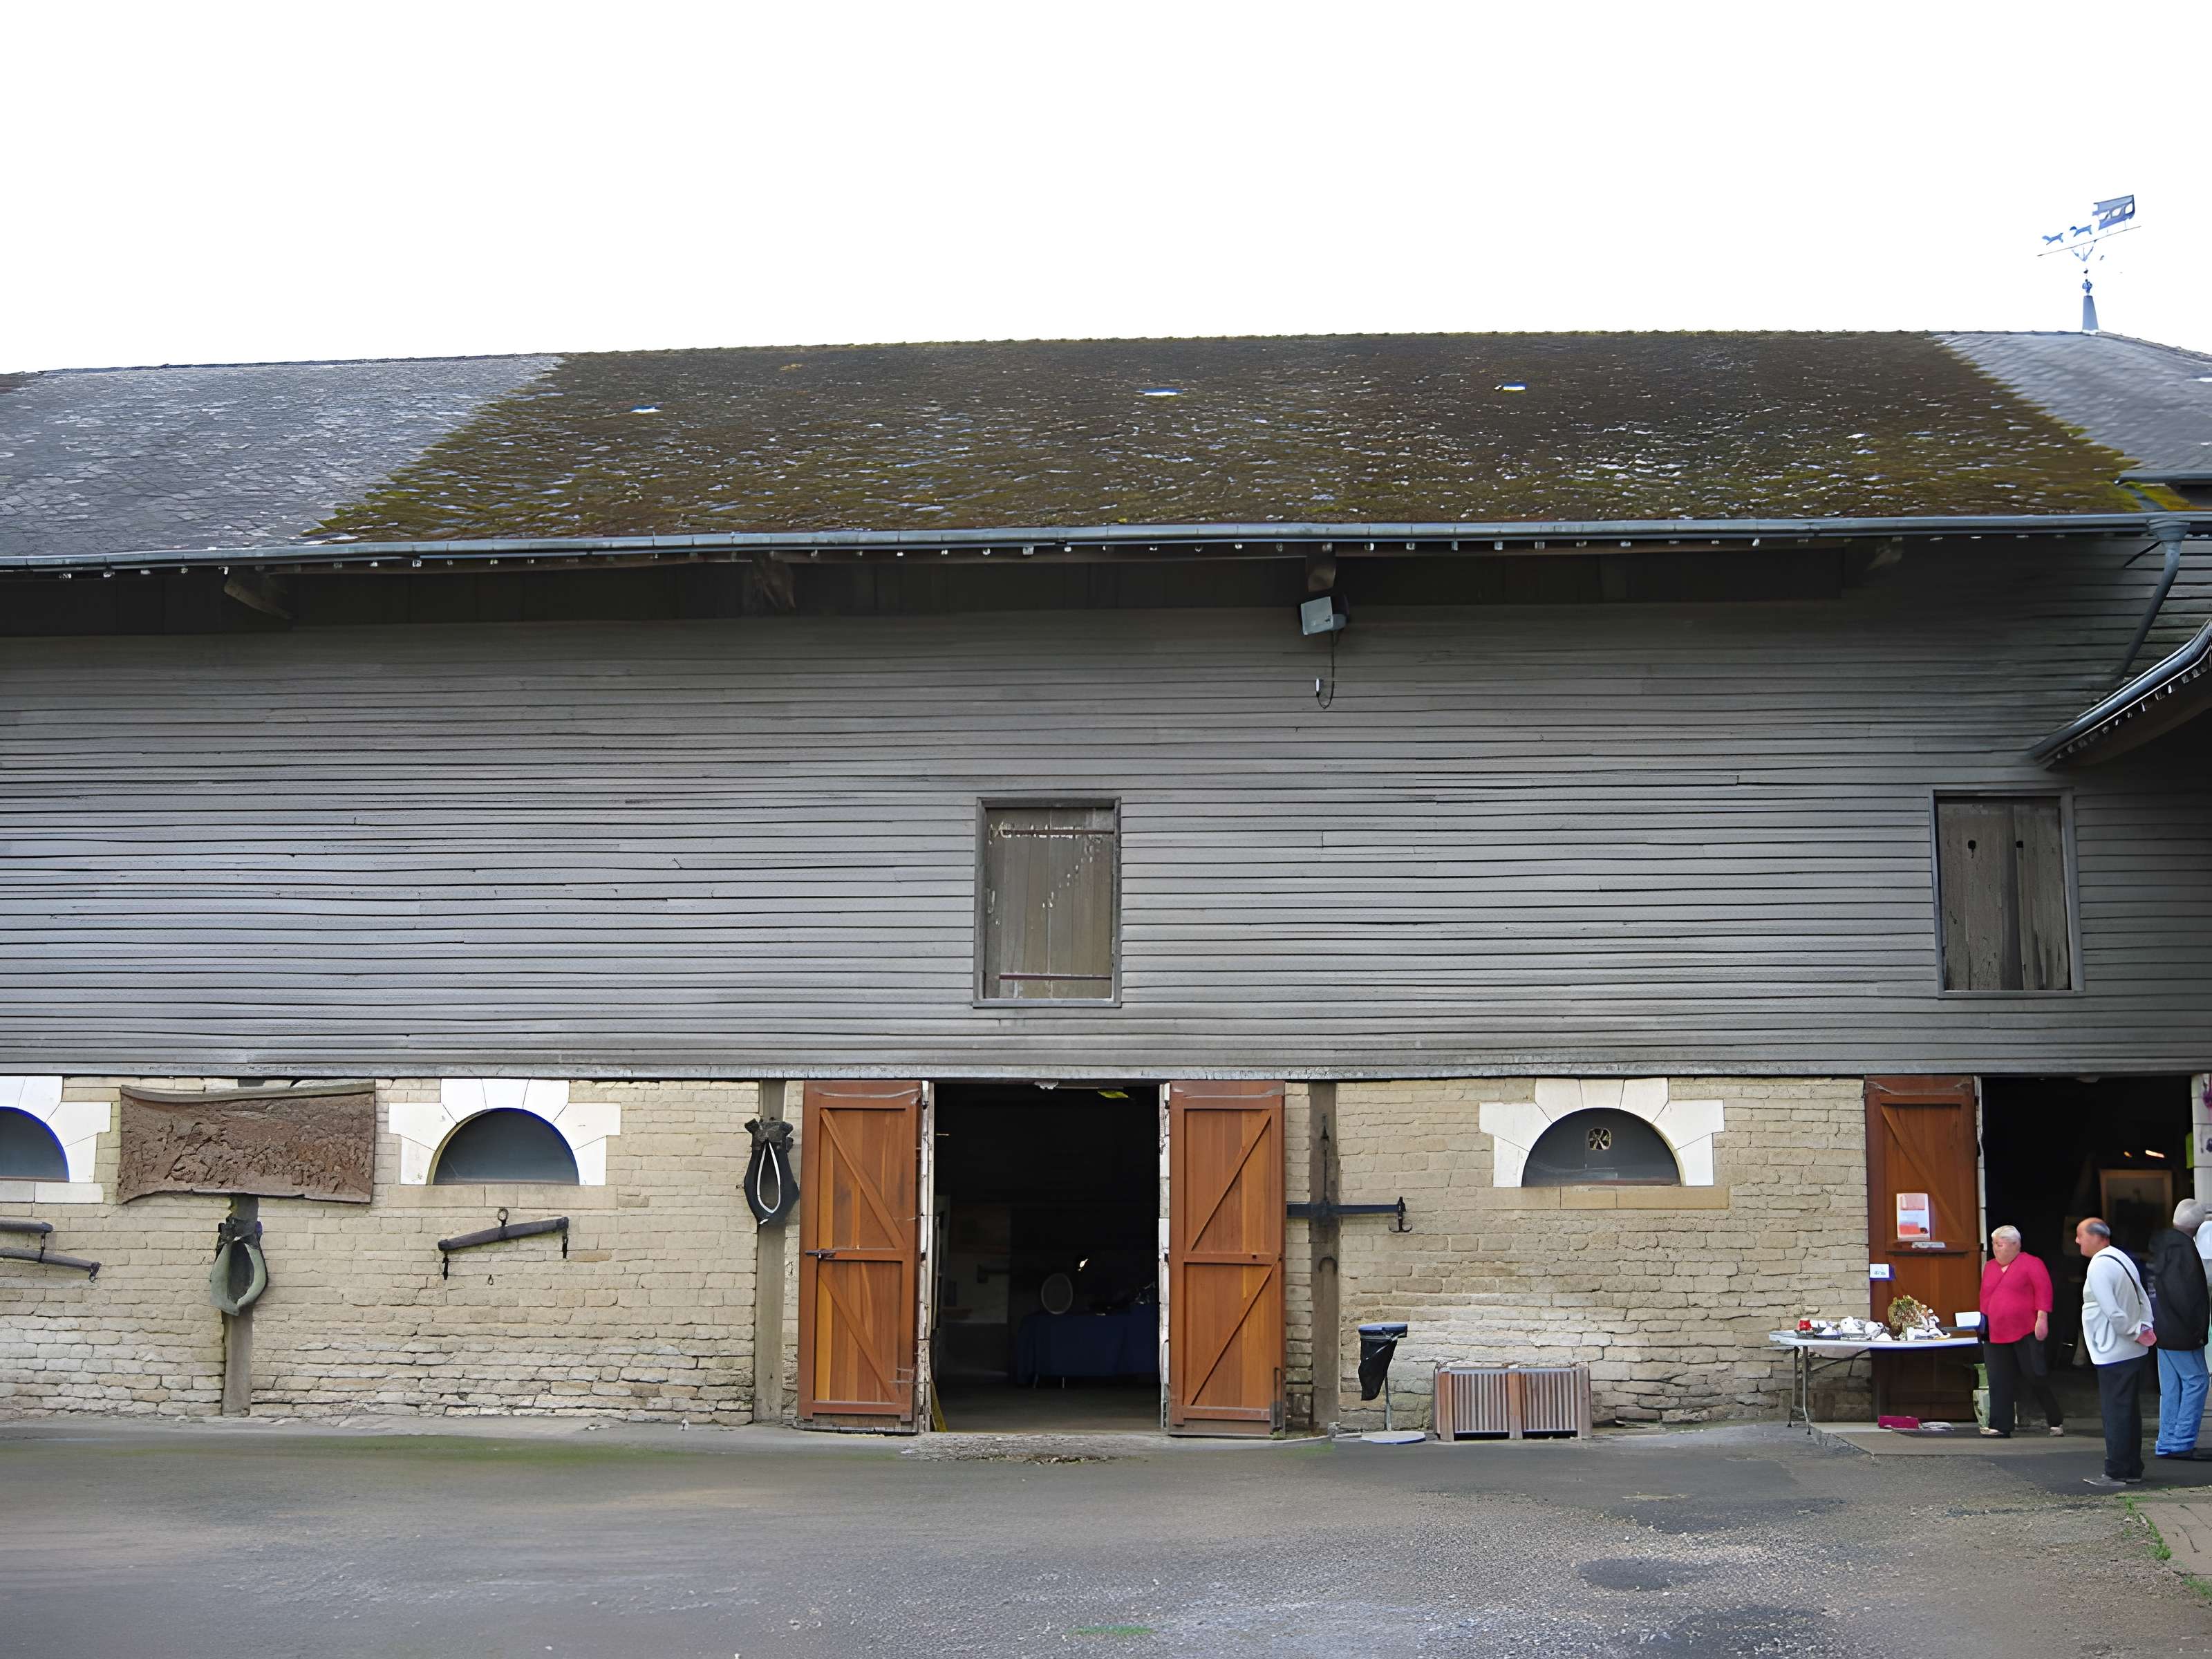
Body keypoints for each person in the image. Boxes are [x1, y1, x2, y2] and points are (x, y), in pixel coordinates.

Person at [2079, 1216, 2157, 1488]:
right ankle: (2133, 1468)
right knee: (2129, 1411)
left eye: (2080, 1235)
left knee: (2116, 1412)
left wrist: (2133, 1330)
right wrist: (2144, 1327)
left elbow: (2112, 1311)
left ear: (2096, 1237)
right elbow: (2142, 1296)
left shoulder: (2099, 1266)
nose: (2077, 1241)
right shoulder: (2122, 1258)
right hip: (2131, 1349)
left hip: (2113, 1349)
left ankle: (2116, 1472)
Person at [1978, 1225, 2061, 1437]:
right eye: (1994, 1244)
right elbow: (1985, 1296)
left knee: (2035, 1374)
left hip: (2025, 1328)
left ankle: (2055, 1419)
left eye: (2000, 1244)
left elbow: (2044, 1292)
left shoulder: (2031, 1263)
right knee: (1998, 1378)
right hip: (1995, 1330)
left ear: (2016, 1245)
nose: (1996, 1249)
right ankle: (2000, 1425)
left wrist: (2042, 1319)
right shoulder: (1990, 1267)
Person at [2150, 1199, 2212, 1460]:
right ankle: (2182, 1442)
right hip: (2181, 1331)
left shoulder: (2162, 1244)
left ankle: (2166, 1441)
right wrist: (2198, 1330)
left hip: (2162, 1327)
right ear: (2198, 1226)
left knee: (2172, 1386)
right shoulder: (2184, 1249)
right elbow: (2186, 1296)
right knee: (2198, 1381)